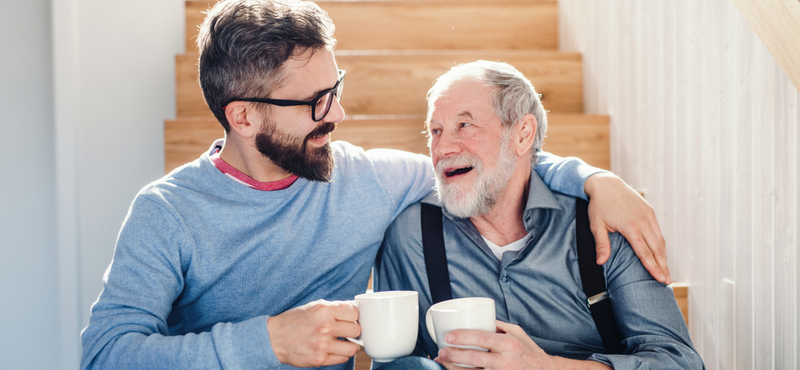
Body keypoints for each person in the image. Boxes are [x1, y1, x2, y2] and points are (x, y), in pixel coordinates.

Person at [80, 1, 670, 369]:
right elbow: (105, 356)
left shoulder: (367, 178)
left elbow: (493, 162)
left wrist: (594, 178)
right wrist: (267, 343)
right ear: (243, 117)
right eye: (315, 103)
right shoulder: (168, 213)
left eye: (335, 88)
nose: (337, 116)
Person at [375, 61, 703, 369]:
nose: (444, 148)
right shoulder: (411, 236)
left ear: (522, 135)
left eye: (464, 125)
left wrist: (545, 366)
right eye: (435, 131)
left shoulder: (603, 225)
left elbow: (679, 362)